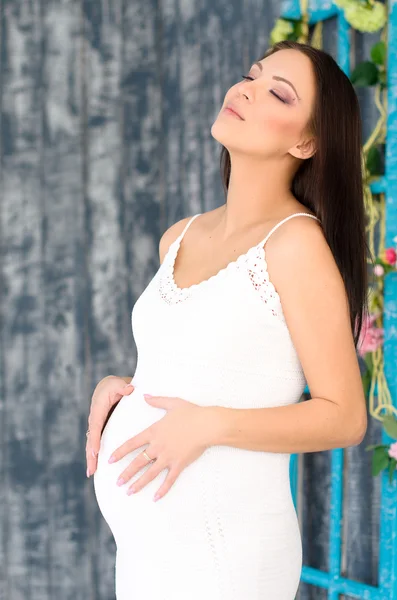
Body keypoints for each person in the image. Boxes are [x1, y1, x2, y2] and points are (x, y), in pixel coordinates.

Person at [86, 40, 370, 599]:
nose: (246, 88)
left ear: (306, 141)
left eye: (277, 94)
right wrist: (123, 389)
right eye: (251, 75)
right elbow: (206, 364)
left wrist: (211, 425)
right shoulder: (179, 235)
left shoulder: (295, 245)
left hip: (226, 556)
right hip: (145, 557)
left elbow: (345, 418)